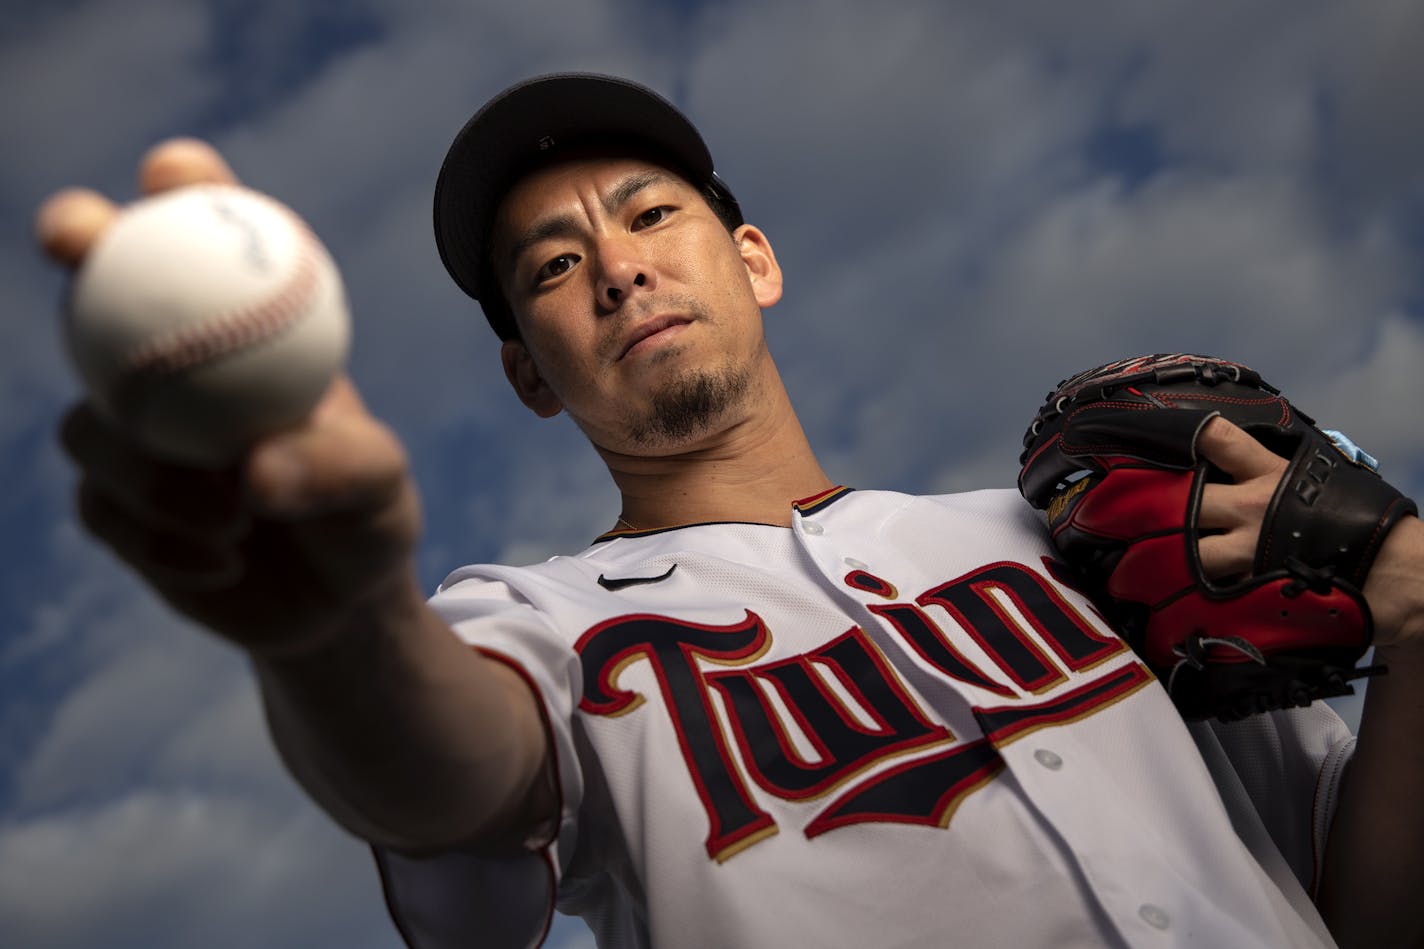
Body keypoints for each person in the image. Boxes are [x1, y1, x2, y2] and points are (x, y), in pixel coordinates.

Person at [37, 73, 1424, 949]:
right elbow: (451, 777)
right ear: (529, 374)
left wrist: (1417, 624)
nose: (620, 271)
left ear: (752, 259)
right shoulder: (530, 620)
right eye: (556, 265)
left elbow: (1371, 904)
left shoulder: (1067, 537)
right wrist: (332, 629)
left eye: (651, 217)